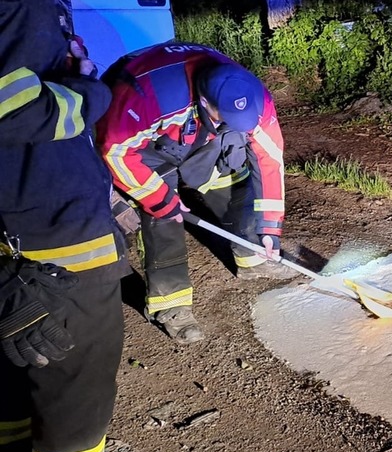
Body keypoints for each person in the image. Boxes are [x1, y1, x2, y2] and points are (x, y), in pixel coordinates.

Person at [0, 0, 151, 452]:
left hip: (16, 219)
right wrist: (85, 95)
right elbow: (14, 106)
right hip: (53, 218)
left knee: (24, 347)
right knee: (81, 361)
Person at [96, 41, 292, 345]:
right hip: (145, 146)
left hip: (199, 133)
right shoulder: (147, 97)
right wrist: (161, 200)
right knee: (164, 217)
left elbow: (270, 158)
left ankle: (252, 257)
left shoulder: (252, 96)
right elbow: (116, 152)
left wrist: (269, 226)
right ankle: (170, 306)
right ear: (204, 101)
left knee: (236, 177)